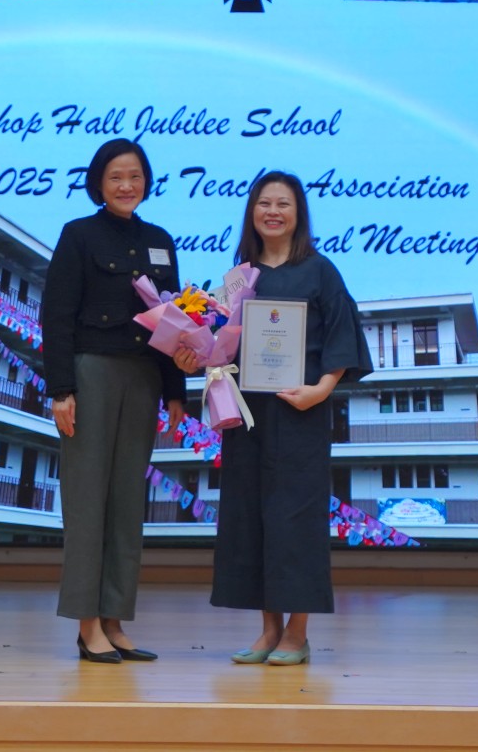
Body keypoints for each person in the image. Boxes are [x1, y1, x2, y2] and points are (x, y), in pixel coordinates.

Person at [175, 171, 372, 665]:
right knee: (251, 515)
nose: (273, 212)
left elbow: (342, 338)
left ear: (298, 213)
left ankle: (296, 634)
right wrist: (196, 353)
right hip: (249, 414)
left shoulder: (321, 271)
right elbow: (221, 344)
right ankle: (268, 630)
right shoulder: (239, 277)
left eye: (284, 203)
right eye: (264, 203)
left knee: (296, 520)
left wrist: (321, 390)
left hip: (301, 410)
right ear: (252, 212)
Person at [41, 138, 185, 663]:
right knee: (88, 502)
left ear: (147, 181)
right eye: (116, 176)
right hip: (92, 374)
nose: (127, 185)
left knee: (127, 502)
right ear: (99, 183)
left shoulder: (160, 240)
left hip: (144, 377)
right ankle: (87, 625)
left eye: (135, 176)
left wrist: (176, 391)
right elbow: (56, 315)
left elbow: (174, 319)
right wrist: (61, 389)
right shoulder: (78, 234)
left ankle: (115, 620)